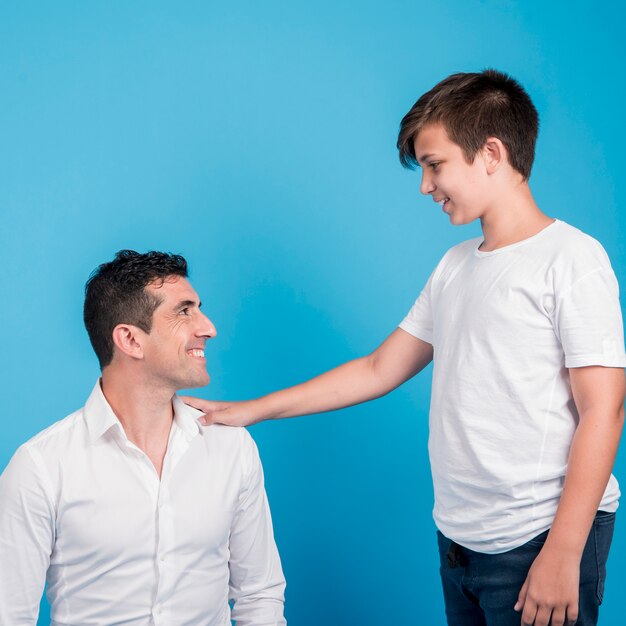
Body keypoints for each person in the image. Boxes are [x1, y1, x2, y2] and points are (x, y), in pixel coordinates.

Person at [183, 70, 625, 626]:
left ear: (491, 152)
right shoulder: (455, 266)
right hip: (460, 539)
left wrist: (563, 551)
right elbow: (378, 368)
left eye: (434, 164)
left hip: (539, 538)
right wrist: (252, 410)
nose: (425, 186)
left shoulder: (572, 259)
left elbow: (604, 410)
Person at [0, 250, 286, 626]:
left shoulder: (232, 447)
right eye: (184, 312)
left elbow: (259, 595)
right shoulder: (40, 467)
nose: (209, 327)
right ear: (131, 340)